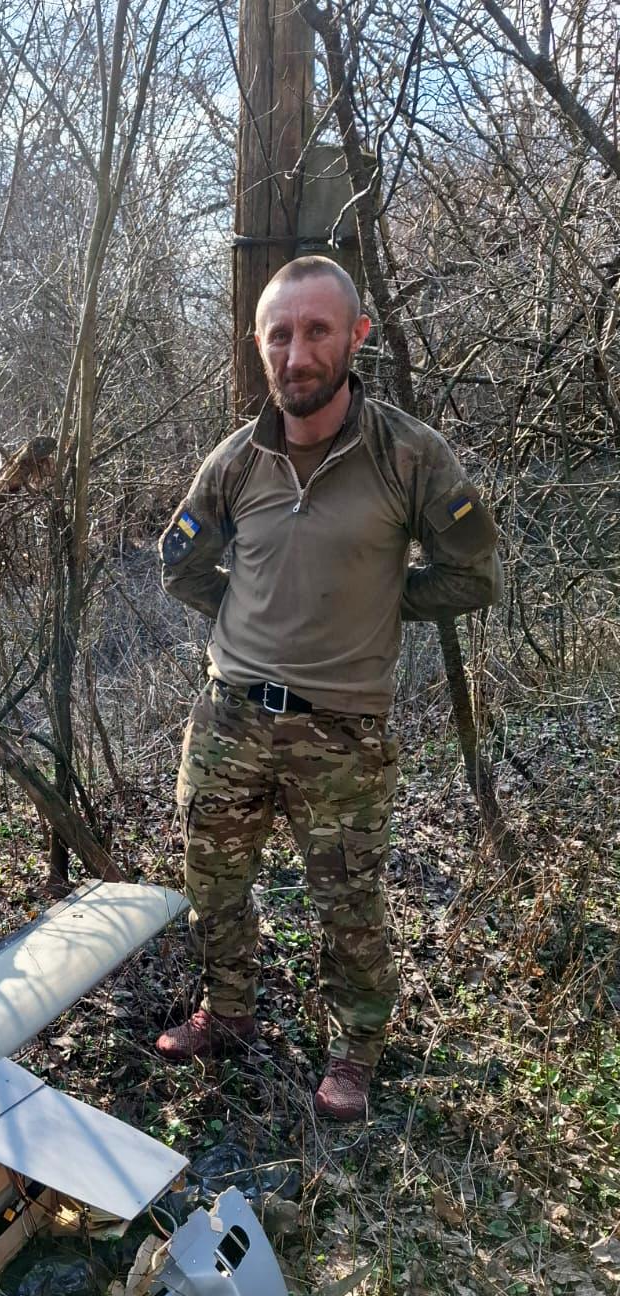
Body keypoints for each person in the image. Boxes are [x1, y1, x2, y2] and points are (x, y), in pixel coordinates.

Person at [155, 256, 502, 1121]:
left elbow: (473, 576)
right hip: (231, 716)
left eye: (316, 331)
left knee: (349, 900)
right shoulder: (236, 462)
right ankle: (229, 1012)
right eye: (280, 333)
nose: (297, 352)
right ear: (259, 346)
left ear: (357, 337)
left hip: (343, 731)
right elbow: (181, 562)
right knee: (214, 881)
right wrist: (244, 612)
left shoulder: (408, 456)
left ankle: (357, 1046)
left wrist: (380, 606)